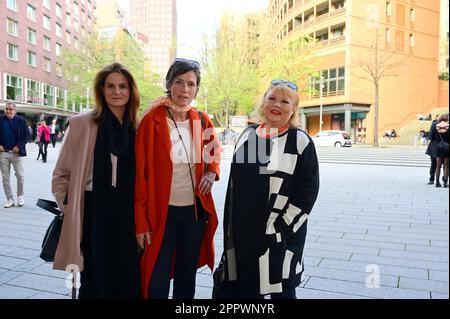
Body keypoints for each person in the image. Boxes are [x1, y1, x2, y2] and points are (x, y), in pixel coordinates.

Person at [219, 80, 320, 299]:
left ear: (293, 109)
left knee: (281, 291)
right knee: (247, 294)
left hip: (281, 237)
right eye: (272, 98)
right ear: (263, 102)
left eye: (285, 101)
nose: (277, 104)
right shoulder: (249, 136)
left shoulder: (299, 141)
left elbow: (307, 192)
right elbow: (238, 190)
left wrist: (281, 228)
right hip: (246, 237)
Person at [52, 63, 141, 298]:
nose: (117, 91)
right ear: (101, 90)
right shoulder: (82, 124)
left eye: (123, 86)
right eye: (110, 86)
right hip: (94, 208)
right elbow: (61, 174)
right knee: (95, 273)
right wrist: (70, 207)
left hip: (128, 210)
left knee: (128, 273)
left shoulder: (139, 127)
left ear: (131, 91)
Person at [135, 58, 221, 299]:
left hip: (193, 213)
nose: (185, 90)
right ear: (169, 84)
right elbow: (139, 177)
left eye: (191, 84)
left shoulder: (201, 119)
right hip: (160, 213)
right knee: (156, 282)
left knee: (186, 278)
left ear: (197, 88)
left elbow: (213, 151)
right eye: (179, 82)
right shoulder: (152, 120)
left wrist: (211, 170)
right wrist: (140, 222)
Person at [0, 102, 29, 208]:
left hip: (17, 153)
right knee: (5, 177)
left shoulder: (22, 121)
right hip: (3, 154)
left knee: (20, 176)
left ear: (15, 111)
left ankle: (20, 196)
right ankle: (9, 199)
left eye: (10, 109)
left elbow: (27, 135)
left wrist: (19, 146)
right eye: (6, 109)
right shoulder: (0, 119)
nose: (8, 111)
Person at [434, 113, 449, 187]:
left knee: (438, 166)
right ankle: (445, 183)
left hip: (439, 147)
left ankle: (437, 182)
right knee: (446, 166)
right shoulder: (448, 126)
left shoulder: (436, 126)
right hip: (447, 148)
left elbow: (433, 137)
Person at [426, 115, 440, 184]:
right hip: (445, 147)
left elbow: (430, 137)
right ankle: (445, 179)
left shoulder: (434, 124)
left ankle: (432, 179)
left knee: (433, 164)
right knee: (445, 164)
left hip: (434, 146)